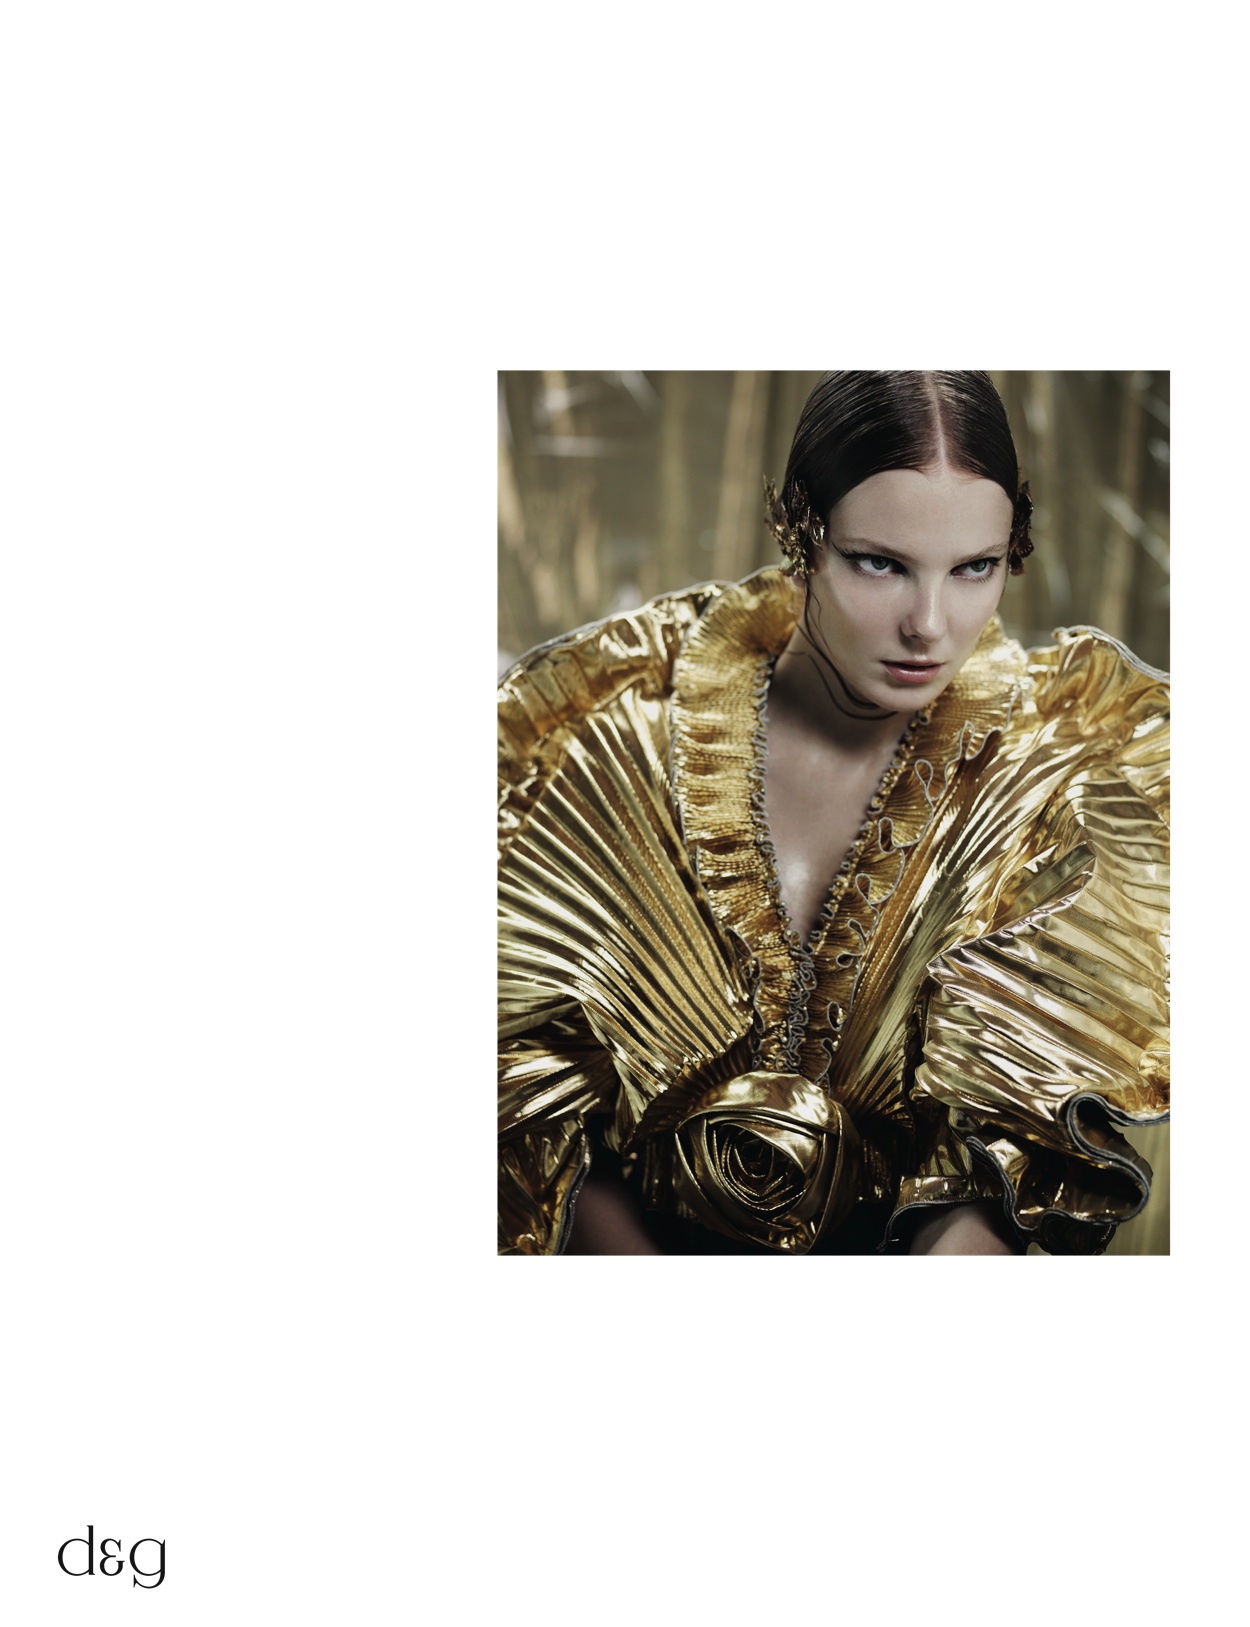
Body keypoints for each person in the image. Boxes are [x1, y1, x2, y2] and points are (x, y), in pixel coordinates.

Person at [498, 372, 1169, 1255]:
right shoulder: (616, 747)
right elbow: (530, 1098)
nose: (929, 623)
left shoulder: (1053, 785)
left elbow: (1002, 1162)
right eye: (881, 563)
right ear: (799, 532)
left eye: (974, 567)